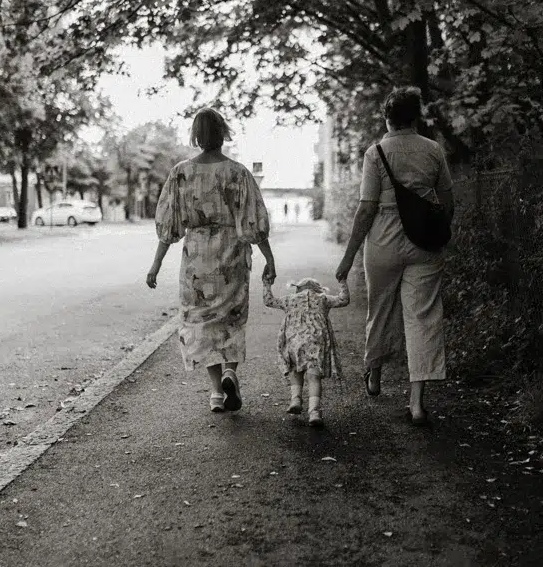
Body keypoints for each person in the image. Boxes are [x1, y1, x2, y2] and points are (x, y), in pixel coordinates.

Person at [334, 86, 455, 427]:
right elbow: (448, 201)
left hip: (383, 239)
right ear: (416, 117)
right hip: (425, 242)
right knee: (423, 317)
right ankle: (416, 404)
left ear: (387, 118)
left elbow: (366, 209)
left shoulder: (376, 153)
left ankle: (374, 375)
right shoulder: (433, 150)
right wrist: (438, 232)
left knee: (380, 309)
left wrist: (348, 257)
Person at [146, 108, 276, 413]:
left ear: (196, 136)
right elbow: (254, 221)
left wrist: (156, 265)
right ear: (222, 134)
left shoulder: (181, 173)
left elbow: (169, 225)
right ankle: (230, 371)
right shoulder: (238, 173)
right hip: (231, 254)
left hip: (197, 258)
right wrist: (269, 259)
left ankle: (216, 392)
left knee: (201, 323)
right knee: (232, 319)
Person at [263, 277, 349, 428]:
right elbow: (344, 300)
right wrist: (342, 281)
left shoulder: (289, 299)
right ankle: (314, 412)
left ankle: (296, 399)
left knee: (296, 370)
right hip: (316, 342)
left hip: (294, 341)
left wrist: (267, 284)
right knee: (314, 377)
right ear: (319, 289)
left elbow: (269, 301)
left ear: (298, 289)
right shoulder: (323, 299)